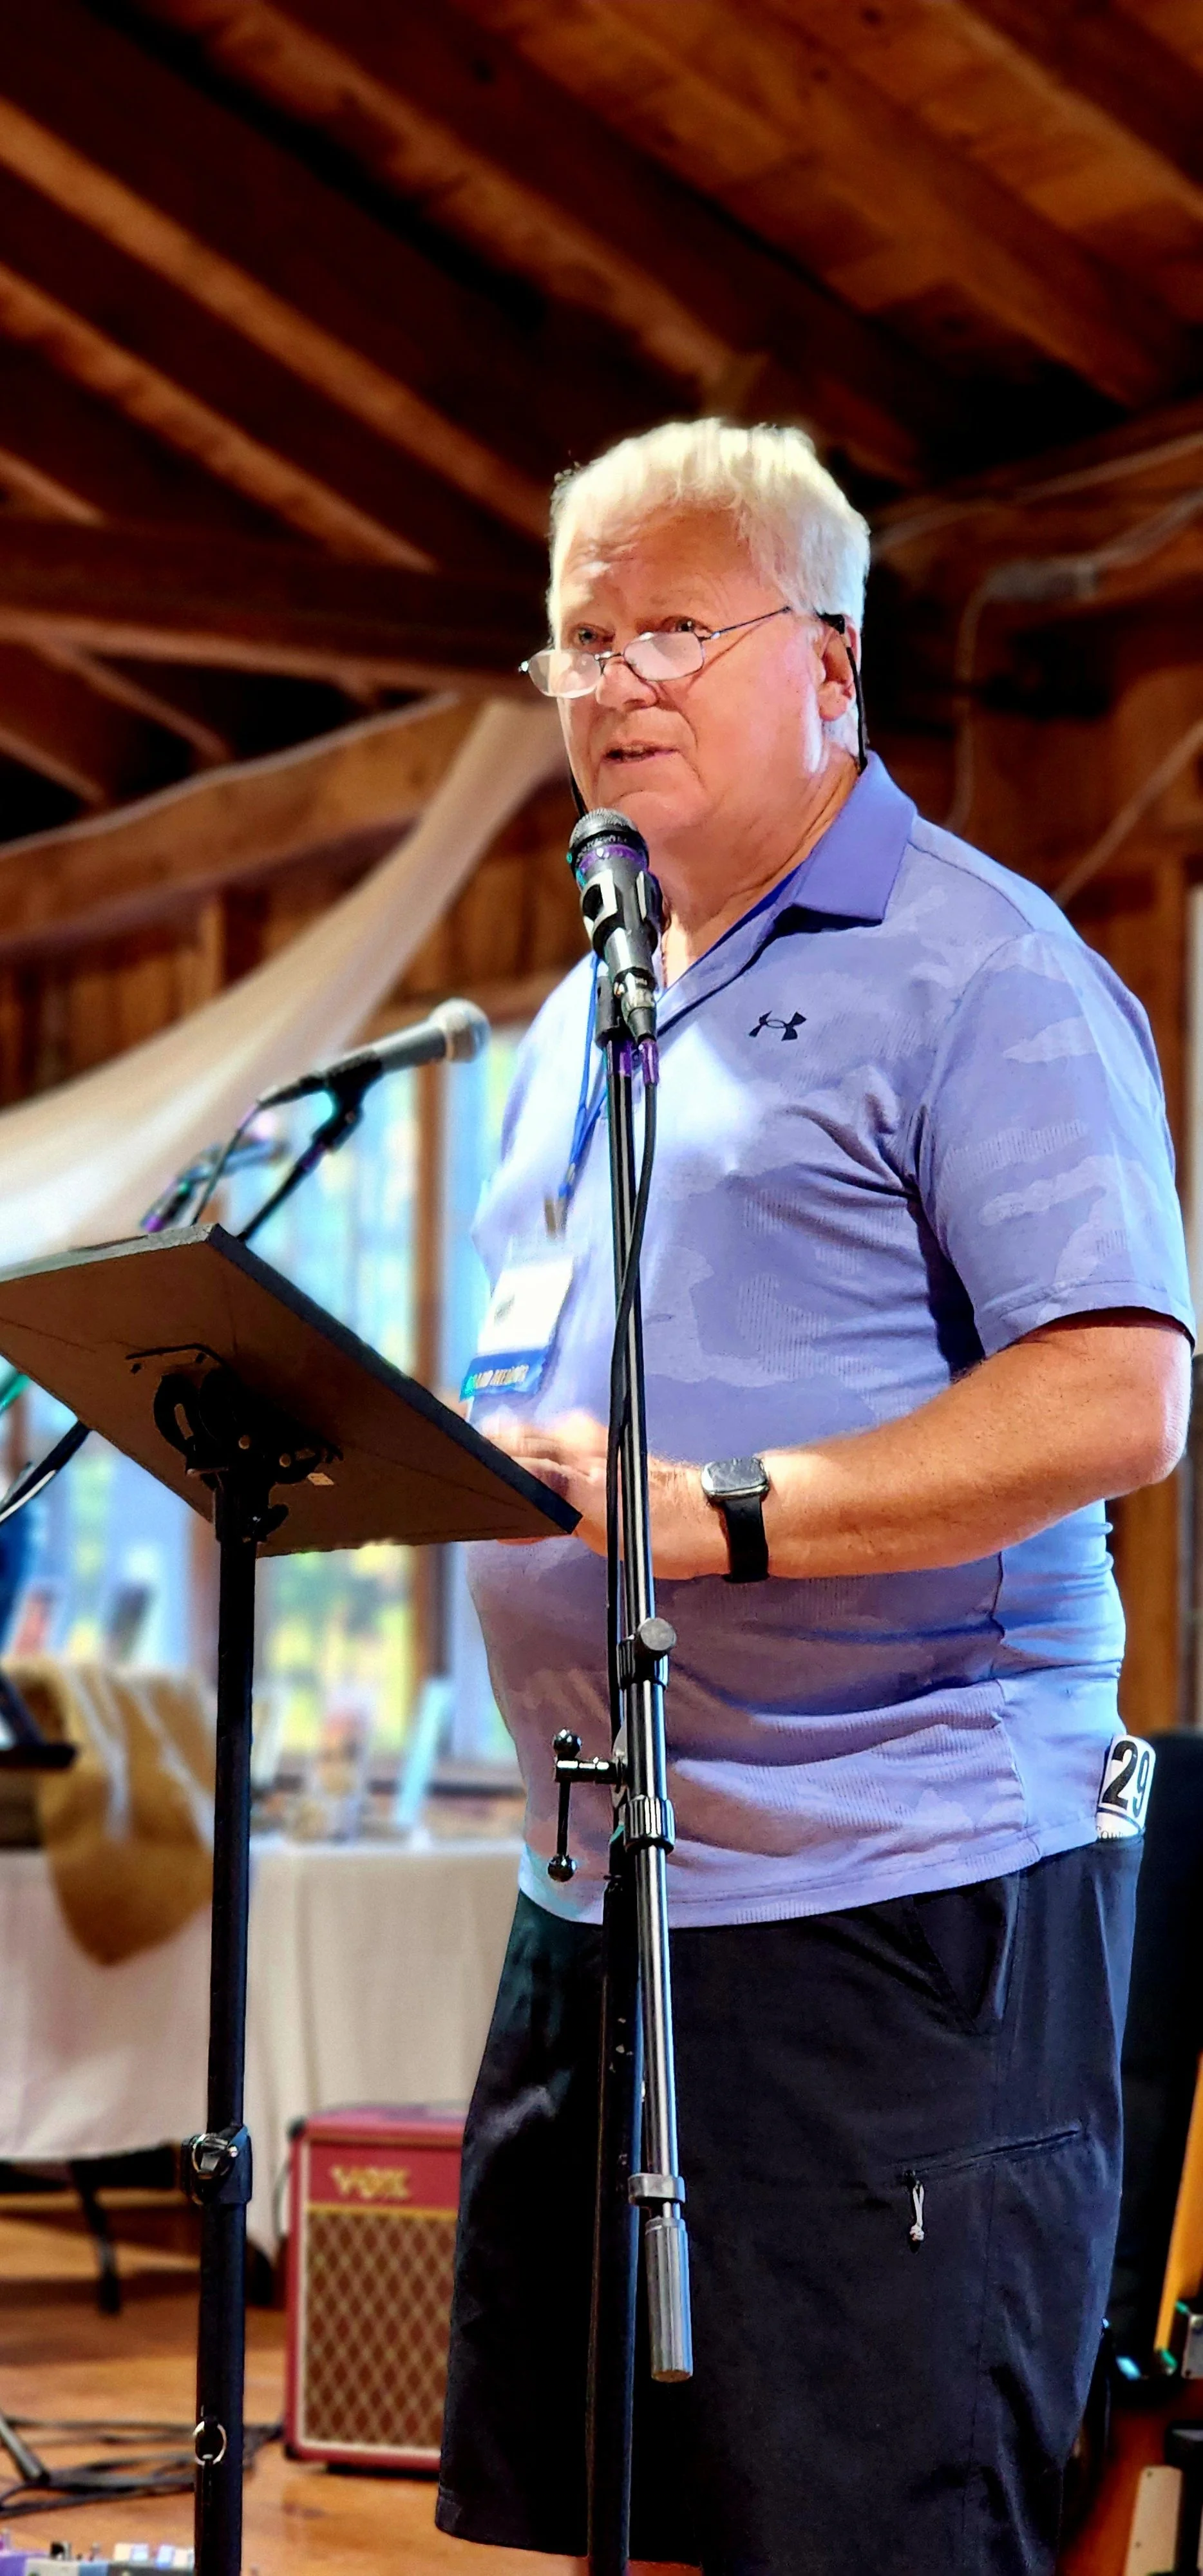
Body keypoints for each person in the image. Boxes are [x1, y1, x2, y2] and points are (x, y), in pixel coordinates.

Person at [435, 419, 1193, 2576]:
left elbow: (1115, 1398)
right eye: (580, 641)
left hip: (887, 1903)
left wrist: (731, 1510)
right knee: (631, 2521)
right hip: (600, 1893)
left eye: (678, 626)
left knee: (872, 2525)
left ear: (834, 669)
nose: (617, 682)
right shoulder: (578, 1009)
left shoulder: (984, 967)